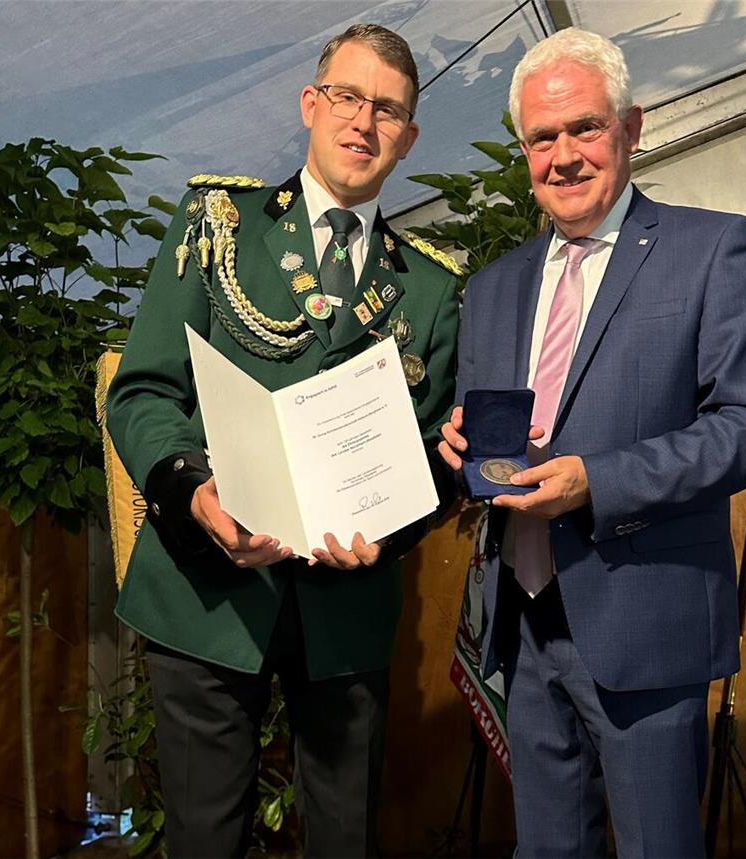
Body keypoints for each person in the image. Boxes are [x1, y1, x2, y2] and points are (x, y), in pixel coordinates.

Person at [106, 23, 460, 858]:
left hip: (345, 608)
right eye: (347, 96)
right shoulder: (216, 225)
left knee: (347, 838)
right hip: (207, 588)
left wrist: (384, 531)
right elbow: (144, 391)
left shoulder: (434, 290)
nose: (363, 122)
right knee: (204, 839)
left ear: (407, 140)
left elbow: (430, 462)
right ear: (311, 103)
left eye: (387, 110)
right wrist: (194, 489)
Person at [438, 28, 746, 857]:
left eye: (584, 128)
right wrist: (460, 445)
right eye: (541, 137)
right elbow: (487, 432)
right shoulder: (491, 289)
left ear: (631, 127)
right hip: (522, 626)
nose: (563, 155)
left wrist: (597, 479)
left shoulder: (711, 250)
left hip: (646, 622)